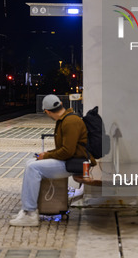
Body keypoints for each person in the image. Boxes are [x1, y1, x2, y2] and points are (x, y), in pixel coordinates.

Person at [10, 94, 93, 227]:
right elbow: (65, 150)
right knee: (30, 163)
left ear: (47, 111)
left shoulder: (69, 122)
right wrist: (47, 154)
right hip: (72, 160)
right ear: (60, 103)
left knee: (33, 168)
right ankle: (26, 211)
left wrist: (46, 156)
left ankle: (30, 213)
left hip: (76, 163)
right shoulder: (66, 119)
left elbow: (67, 151)